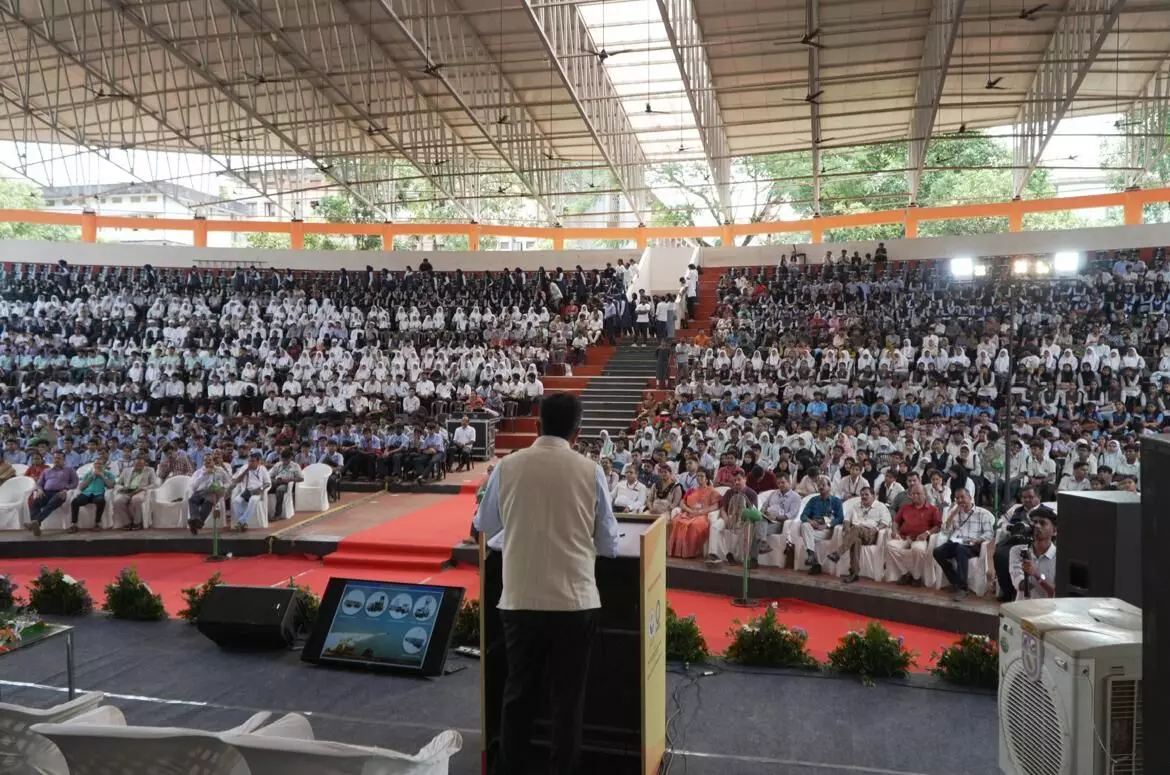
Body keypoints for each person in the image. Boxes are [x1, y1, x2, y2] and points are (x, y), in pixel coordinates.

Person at [475, 393, 619, 775]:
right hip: (574, 602)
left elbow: (486, 525)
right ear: (578, 432)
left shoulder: (508, 466)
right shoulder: (591, 471)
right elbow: (608, 544)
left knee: (519, 694)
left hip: (520, 599)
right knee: (567, 702)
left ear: (536, 426)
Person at [933, 488, 995, 597]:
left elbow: (989, 533)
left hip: (973, 544)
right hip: (956, 542)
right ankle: (956, 581)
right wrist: (953, 514)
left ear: (970, 498)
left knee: (960, 549)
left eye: (962, 497)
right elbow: (945, 531)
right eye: (957, 498)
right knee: (938, 552)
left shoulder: (981, 513)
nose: (960, 500)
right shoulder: (955, 512)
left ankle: (962, 588)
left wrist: (978, 540)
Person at [828, 486, 891, 583]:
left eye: (866, 494)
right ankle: (854, 573)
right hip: (855, 533)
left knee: (856, 528)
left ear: (873, 496)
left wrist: (877, 528)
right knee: (855, 541)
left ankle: (838, 553)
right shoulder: (855, 506)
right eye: (862, 495)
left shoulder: (880, 507)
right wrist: (847, 528)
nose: (864, 497)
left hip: (870, 534)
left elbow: (886, 522)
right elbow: (846, 520)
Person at [886, 483, 941, 585]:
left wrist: (927, 533)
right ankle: (905, 573)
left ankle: (916, 577)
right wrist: (894, 531)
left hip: (920, 538)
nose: (915, 496)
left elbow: (937, 526)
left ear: (924, 494)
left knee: (918, 550)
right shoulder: (905, 507)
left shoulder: (933, 509)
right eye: (913, 494)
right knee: (890, 546)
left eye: (918, 493)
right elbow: (895, 522)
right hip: (904, 537)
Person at [797, 476, 845, 574]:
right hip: (814, 528)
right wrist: (811, 522)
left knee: (807, 534)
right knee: (805, 526)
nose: (821, 487)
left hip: (827, 530)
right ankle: (811, 556)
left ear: (829, 487)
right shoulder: (813, 500)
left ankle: (814, 562)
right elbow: (803, 515)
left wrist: (827, 525)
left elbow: (840, 518)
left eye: (823, 485)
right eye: (819, 485)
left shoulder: (836, 501)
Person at [1008, 506, 1058, 599]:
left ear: (1054, 531)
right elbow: (1019, 584)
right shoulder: (1017, 551)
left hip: (1045, 611)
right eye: (1034, 522)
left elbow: (1054, 593)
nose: (1037, 526)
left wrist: (1037, 575)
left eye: (1042, 523)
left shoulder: (1059, 558)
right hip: (1022, 609)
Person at [668, 469, 719, 558]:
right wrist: (689, 510)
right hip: (689, 513)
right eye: (697, 476)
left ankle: (691, 552)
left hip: (703, 515)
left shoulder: (712, 491)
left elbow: (716, 506)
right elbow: (682, 503)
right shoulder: (691, 490)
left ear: (707, 479)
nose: (699, 478)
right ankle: (677, 551)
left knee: (694, 525)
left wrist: (701, 512)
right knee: (677, 521)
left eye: (702, 476)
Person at [28, 452, 79, 536]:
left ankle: (35, 522)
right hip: (46, 492)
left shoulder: (69, 470)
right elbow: (39, 484)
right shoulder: (46, 471)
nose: (57, 460)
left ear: (64, 460)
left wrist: (66, 489)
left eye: (59, 458)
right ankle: (36, 526)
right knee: (35, 502)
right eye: (55, 458)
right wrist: (40, 490)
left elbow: (75, 483)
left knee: (52, 502)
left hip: (60, 492)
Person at [112, 453, 158, 530]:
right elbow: (118, 483)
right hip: (127, 490)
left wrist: (143, 488)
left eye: (141, 464)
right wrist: (123, 488)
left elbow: (155, 484)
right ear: (133, 464)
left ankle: (137, 522)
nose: (138, 466)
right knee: (117, 501)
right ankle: (127, 522)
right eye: (137, 464)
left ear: (144, 464)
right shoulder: (126, 470)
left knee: (137, 500)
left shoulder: (150, 470)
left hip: (139, 490)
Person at [69, 459, 116, 532]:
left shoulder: (108, 474)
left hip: (98, 493)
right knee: (74, 502)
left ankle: (97, 523)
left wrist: (102, 476)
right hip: (86, 494)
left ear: (103, 465)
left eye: (100, 464)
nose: (98, 465)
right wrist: (91, 476)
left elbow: (111, 486)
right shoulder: (88, 474)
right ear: (94, 465)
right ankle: (74, 524)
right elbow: (81, 487)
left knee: (101, 501)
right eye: (96, 464)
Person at [230, 451, 272, 532]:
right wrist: (246, 470)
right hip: (247, 491)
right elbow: (237, 480)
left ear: (258, 461)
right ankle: (242, 522)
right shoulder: (245, 467)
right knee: (236, 501)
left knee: (253, 500)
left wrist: (261, 489)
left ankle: (241, 521)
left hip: (258, 491)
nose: (250, 463)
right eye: (249, 461)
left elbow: (268, 483)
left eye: (253, 461)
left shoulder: (262, 469)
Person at [268, 449, 304, 520]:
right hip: (276, 481)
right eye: (282, 459)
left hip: (286, 484)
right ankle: (266, 512)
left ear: (290, 458)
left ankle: (277, 514)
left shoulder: (295, 466)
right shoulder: (278, 464)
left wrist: (291, 480)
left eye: (286, 460)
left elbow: (301, 478)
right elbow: (270, 475)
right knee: (266, 487)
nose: (284, 461)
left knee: (279, 490)